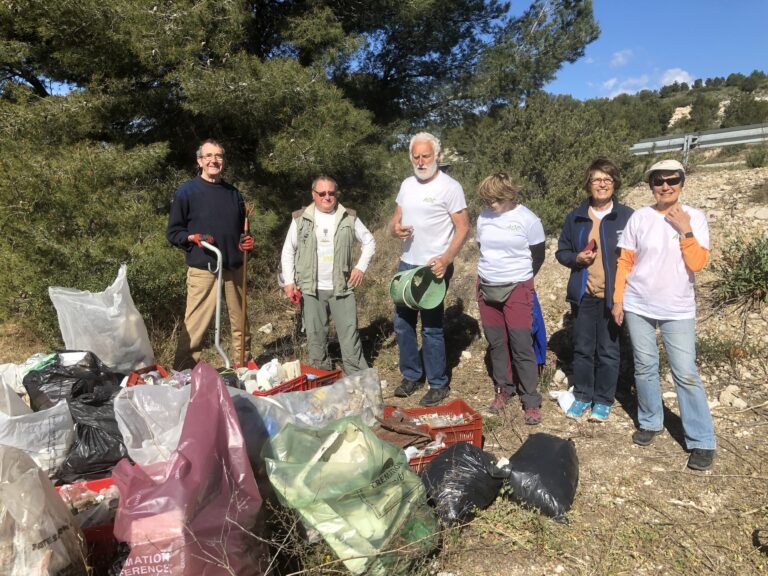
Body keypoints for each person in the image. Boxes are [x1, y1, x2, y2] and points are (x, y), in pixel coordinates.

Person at [613, 159, 716, 471]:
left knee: (685, 372)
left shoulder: (695, 217)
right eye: (659, 181)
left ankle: (701, 440)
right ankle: (650, 421)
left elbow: (698, 264)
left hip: (677, 308)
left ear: (682, 182)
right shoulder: (639, 217)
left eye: (672, 180)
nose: (666, 186)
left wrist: (684, 229)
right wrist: (618, 300)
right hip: (638, 304)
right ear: (651, 185)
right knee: (645, 367)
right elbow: (625, 262)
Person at [389, 132, 469, 407]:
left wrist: (446, 258)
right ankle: (411, 375)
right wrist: (395, 229)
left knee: (432, 326)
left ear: (437, 156)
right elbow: (395, 220)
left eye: (426, 156)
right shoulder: (407, 185)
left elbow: (463, 227)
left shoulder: (450, 187)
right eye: (416, 157)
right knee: (402, 323)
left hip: (434, 266)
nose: (421, 162)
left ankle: (438, 384)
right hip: (407, 264)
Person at [556, 158, 634, 422]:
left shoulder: (627, 216)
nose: (602, 184)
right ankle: (582, 396)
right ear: (588, 183)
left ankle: (603, 400)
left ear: (615, 184)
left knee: (609, 350)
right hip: (584, 294)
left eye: (607, 180)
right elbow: (562, 251)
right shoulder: (576, 217)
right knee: (583, 348)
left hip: (614, 296)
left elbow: (638, 254)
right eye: (597, 179)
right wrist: (576, 259)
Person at [167, 139, 253, 370]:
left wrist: (245, 242)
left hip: (233, 267)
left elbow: (242, 231)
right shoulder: (187, 192)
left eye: (218, 156)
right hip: (204, 268)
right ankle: (184, 373)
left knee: (241, 322)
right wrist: (192, 238)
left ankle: (242, 368)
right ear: (200, 161)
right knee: (195, 326)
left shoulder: (234, 194)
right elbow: (174, 232)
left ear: (223, 161)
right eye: (209, 156)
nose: (214, 160)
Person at [281, 176, 375, 375]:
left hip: (342, 287)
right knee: (316, 338)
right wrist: (289, 282)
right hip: (311, 289)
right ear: (313, 194)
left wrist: (360, 267)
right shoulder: (300, 218)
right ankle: (320, 378)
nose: (327, 197)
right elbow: (288, 250)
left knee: (349, 336)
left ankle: (358, 378)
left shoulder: (348, 217)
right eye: (322, 193)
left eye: (331, 193)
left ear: (336, 194)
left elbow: (369, 241)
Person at [475, 173, 545, 424]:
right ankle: (504, 389)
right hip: (487, 286)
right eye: (487, 199)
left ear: (509, 194)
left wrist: (520, 277)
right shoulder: (483, 217)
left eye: (495, 199)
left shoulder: (528, 219)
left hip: (517, 287)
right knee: (496, 342)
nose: (491, 204)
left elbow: (538, 255)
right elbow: (482, 248)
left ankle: (531, 400)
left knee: (521, 344)